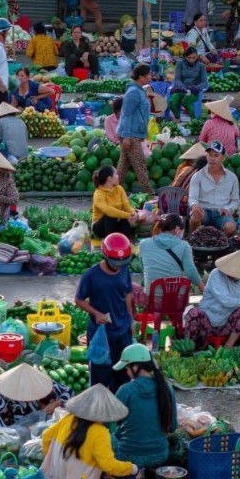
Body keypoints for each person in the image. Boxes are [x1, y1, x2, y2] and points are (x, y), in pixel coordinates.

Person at [41, 384, 137, 479]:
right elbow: (109, 466)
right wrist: (132, 468)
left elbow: (46, 437)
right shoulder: (100, 432)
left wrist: (57, 460)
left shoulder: (68, 418)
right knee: (127, 477)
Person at [75, 233, 135, 393]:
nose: (119, 266)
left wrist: (131, 319)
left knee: (123, 376)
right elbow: (79, 300)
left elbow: (128, 293)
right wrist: (96, 313)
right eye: (115, 263)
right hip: (100, 335)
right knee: (100, 379)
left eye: (122, 263)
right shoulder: (91, 275)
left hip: (122, 331)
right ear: (105, 256)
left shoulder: (124, 270)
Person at [111, 343, 177, 468]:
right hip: (161, 454)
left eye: (126, 367)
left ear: (136, 366)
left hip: (128, 456)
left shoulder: (126, 390)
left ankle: (136, 473)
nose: (126, 371)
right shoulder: (167, 387)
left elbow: (112, 424)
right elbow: (172, 427)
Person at [185, 249, 240, 348]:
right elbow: (226, 301)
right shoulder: (216, 275)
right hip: (208, 320)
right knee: (193, 314)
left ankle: (228, 346)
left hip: (227, 323)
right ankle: (192, 347)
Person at [137, 214, 203, 301]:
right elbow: (191, 273)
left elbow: (143, 267)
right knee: (184, 281)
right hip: (176, 300)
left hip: (152, 300)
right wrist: (203, 289)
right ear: (177, 229)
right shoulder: (184, 246)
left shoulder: (144, 244)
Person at [0, 364, 74, 429]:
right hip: (17, 428)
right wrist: (7, 435)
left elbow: (69, 391)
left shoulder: (43, 384)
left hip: (42, 424)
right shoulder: (5, 392)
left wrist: (56, 403)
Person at [188, 141, 239, 236]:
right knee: (194, 218)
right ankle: (194, 242)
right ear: (206, 156)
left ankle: (219, 244)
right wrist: (194, 206)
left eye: (216, 155)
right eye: (210, 155)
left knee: (230, 227)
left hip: (221, 213)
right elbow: (192, 197)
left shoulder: (232, 177)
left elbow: (235, 201)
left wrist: (228, 208)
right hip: (204, 211)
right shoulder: (197, 176)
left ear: (223, 158)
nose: (212, 158)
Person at [117, 63, 152, 195]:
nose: (150, 77)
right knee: (140, 164)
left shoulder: (140, 91)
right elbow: (126, 114)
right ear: (141, 77)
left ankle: (111, 190)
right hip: (129, 134)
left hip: (134, 132)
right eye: (148, 75)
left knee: (123, 165)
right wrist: (126, 136)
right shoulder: (133, 93)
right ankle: (149, 193)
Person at [91, 166, 137, 240]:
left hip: (115, 224)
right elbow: (108, 210)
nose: (118, 176)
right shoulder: (98, 193)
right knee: (110, 216)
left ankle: (127, 242)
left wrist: (134, 214)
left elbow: (126, 206)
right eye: (116, 174)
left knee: (124, 220)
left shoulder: (119, 189)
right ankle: (109, 242)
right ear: (109, 178)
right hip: (100, 228)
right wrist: (127, 215)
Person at [168, 47, 208, 120]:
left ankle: (195, 121)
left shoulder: (201, 66)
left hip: (193, 91)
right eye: (189, 58)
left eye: (194, 57)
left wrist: (196, 87)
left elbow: (204, 82)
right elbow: (177, 79)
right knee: (172, 101)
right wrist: (182, 87)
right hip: (181, 89)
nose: (192, 60)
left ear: (197, 56)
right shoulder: (180, 63)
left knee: (186, 101)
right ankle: (177, 117)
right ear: (185, 57)